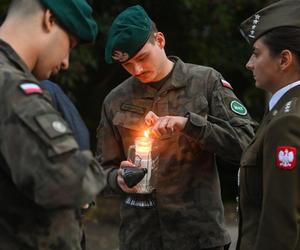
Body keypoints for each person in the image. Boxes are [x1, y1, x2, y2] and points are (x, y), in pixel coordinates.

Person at [97, 5, 256, 250]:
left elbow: (247, 145)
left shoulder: (205, 82)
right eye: (127, 65)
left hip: (199, 237)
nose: (137, 70)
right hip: (141, 239)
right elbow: (102, 169)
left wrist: (192, 126)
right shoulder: (116, 100)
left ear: (159, 40)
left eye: (142, 58)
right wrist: (117, 178)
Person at [0, 0, 106, 249]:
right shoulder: (13, 89)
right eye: (70, 44)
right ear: (49, 19)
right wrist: (102, 174)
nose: (67, 61)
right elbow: (70, 180)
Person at [237, 0, 300, 250]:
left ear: (284, 59)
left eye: (256, 53)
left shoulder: (287, 122)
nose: (249, 64)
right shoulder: (284, 111)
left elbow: (280, 225)